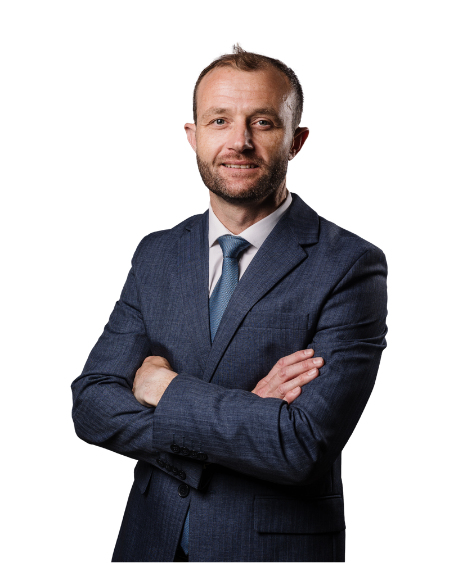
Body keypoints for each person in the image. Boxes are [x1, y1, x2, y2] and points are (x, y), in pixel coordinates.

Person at [71, 42, 388, 563]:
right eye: (219, 120)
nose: (239, 142)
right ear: (192, 136)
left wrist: (161, 388)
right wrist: (248, 418)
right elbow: (91, 406)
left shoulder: (350, 265)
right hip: (147, 544)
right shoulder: (156, 253)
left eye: (262, 123)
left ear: (297, 141)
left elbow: (300, 447)